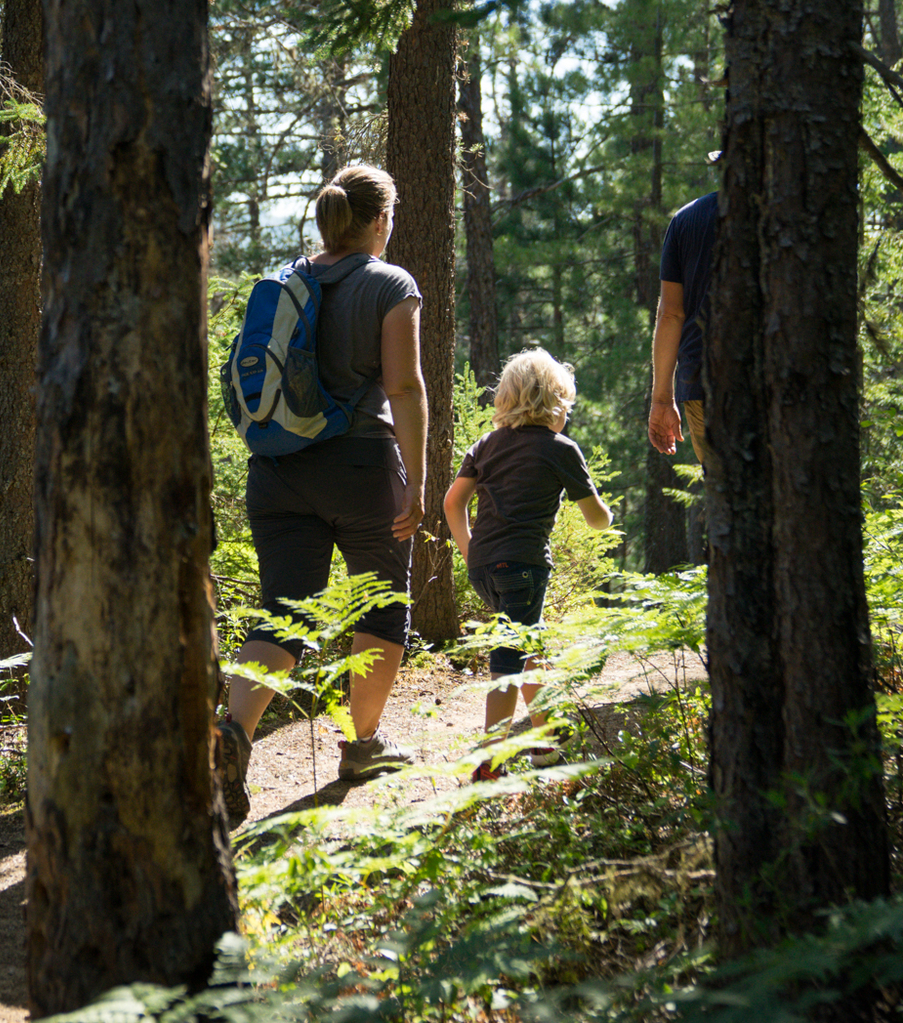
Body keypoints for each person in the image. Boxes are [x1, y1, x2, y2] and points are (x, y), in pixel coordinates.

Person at [215, 164, 426, 829]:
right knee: (381, 603)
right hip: (362, 466)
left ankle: (232, 735)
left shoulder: (289, 281)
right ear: (378, 220)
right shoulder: (391, 283)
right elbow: (406, 387)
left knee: (283, 609)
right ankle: (362, 748)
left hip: (277, 469)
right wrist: (418, 478)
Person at [443, 349, 612, 780]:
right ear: (556, 403)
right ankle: (490, 760)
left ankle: (544, 741)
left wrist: (470, 551)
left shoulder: (485, 444)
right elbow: (596, 518)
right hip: (524, 566)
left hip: (485, 568)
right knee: (508, 657)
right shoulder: (560, 449)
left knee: (529, 649)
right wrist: (606, 515)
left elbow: (453, 502)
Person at [649, 165, 720, 473]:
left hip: (701, 379)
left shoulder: (686, 219)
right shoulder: (786, 214)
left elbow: (671, 313)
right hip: (775, 378)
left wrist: (663, 398)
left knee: (727, 493)